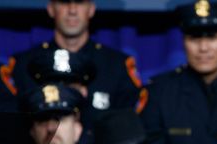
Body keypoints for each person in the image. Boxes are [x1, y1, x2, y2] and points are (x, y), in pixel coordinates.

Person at [140, 0, 217, 144]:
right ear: (183, 41)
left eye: (212, 37)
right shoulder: (159, 91)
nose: (203, 48)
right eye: (194, 38)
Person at [9, 0, 144, 115]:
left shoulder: (117, 65)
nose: (72, 10)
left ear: (91, 9)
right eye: (64, 1)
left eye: (79, 2)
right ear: (51, 8)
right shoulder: (25, 64)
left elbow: (128, 127)